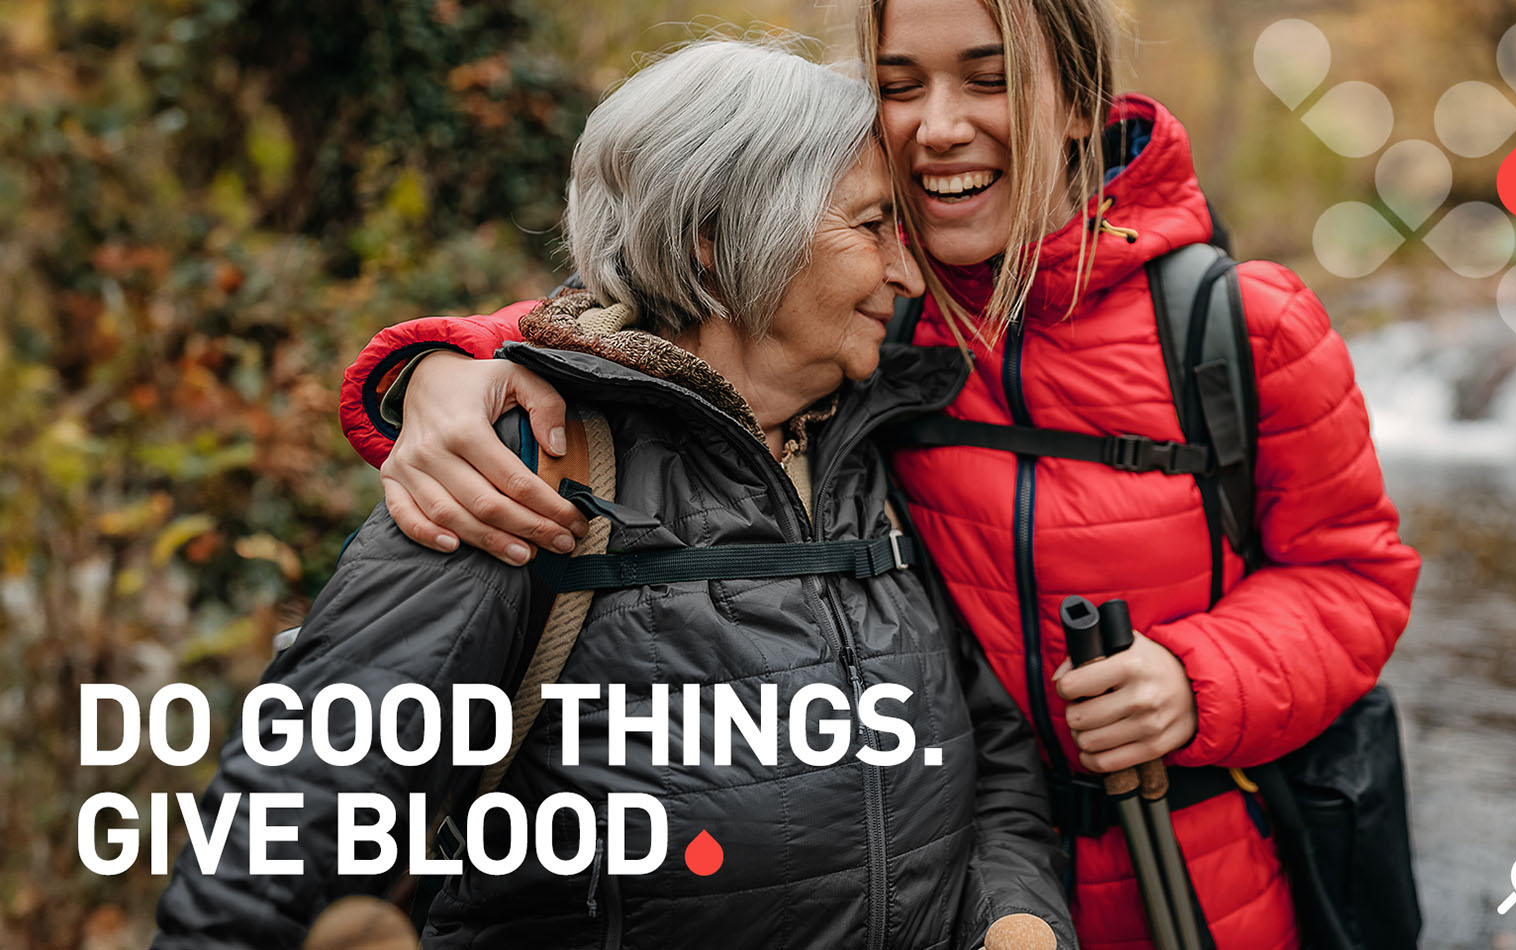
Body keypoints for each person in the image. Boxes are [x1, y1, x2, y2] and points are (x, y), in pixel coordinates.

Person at [332, 2, 1424, 947]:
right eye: (899, 85)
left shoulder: (1240, 322)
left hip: (1197, 882)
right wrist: (443, 364)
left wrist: (1200, 680)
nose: (938, 125)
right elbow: (648, 322)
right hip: (935, 879)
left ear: (1082, 100)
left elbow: (1355, 575)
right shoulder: (870, 304)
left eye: (990, 78)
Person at [153, 39, 1074, 949]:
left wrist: (1018, 919)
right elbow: (283, 828)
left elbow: (991, 760)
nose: (908, 273)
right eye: (871, 227)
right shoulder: (524, 473)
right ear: (719, 245)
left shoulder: (870, 464)